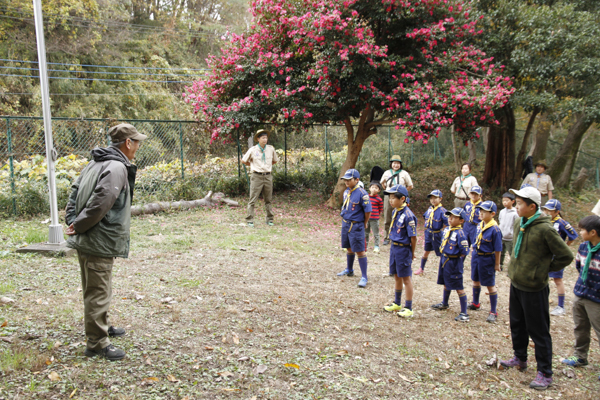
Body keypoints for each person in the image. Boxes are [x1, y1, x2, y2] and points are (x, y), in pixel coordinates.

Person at [65, 123, 147, 361]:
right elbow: (102, 202)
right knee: (98, 291)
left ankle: (103, 326)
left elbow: (74, 190)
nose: (138, 147)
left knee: (98, 287)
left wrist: (72, 220)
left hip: (89, 236)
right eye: (137, 142)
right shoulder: (117, 166)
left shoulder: (95, 162)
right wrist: (79, 224)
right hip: (98, 238)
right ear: (128, 143)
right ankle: (97, 343)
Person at [499, 186, 574, 391]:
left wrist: (543, 270)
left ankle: (545, 372)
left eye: (520, 203)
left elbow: (566, 255)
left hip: (534, 287)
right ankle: (520, 358)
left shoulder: (545, 229)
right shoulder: (518, 221)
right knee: (517, 323)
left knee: (538, 330)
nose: (516, 205)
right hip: (517, 282)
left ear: (532, 207)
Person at [560, 215, 600, 381]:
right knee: (580, 326)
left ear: (593, 232)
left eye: (582, 230)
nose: (579, 232)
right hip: (581, 293)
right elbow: (578, 265)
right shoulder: (583, 247)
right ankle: (580, 356)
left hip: (596, 298)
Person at [383, 185, 417, 318]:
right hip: (394, 247)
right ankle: (397, 303)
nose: (390, 201)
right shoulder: (395, 211)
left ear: (402, 198)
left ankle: (408, 307)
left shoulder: (409, 216)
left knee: (406, 279)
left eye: (393, 198)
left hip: (403, 249)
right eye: (389, 198)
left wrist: (412, 252)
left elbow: (413, 238)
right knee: (396, 276)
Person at [430, 208, 471, 321]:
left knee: (458, 287)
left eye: (454, 217)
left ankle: (464, 313)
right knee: (445, 282)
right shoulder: (447, 230)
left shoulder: (461, 233)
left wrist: (458, 264)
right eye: (449, 216)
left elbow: (464, 252)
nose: (450, 219)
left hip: (454, 262)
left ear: (461, 220)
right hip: (445, 259)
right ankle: (444, 303)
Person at [541, 199, 578, 317]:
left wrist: (565, 247)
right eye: (545, 209)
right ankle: (543, 301)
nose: (546, 212)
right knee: (543, 277)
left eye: (549, 210)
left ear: (557, 212)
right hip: (545, 255)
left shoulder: (561, 223)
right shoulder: (544, 221)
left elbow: (573, 235)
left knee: (557, 280)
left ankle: (561, 306)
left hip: (556, 256)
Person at [467, 201, 502, 323]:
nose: (480, 213)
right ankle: (475, 302)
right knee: (475, 280)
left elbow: (498, 249)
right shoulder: (479, 225)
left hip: (487, 259)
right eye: (480, 210)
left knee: (489, 284)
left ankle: (493, 311)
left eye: (484, 211)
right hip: (477, 256)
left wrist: (497, 264)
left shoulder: (495, 229)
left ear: (492, 214)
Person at [337, 169, 372, 288]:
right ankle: (349, 269)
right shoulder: (347, 191)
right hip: (346, 223)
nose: (346, 181)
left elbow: (368, 211)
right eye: (345, 179)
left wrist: (365, 223)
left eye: (349, 179)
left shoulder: (363, 194)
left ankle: (364, 277)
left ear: (357, 180)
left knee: (360, 250)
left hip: (356, 225)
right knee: (349, 247)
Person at [242, 129, 279, 227]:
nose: (265, 139)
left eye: (266, 138)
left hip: (267, 176)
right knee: (252, 199)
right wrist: (253, 165)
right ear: (258, 139)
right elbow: (244, 160)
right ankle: (250, 220)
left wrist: (266, 167)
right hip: (256, 176)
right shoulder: (253, 150)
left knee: (268, 199)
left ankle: (269, 219)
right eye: (263, 138)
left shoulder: (271, 149)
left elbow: (275, 161)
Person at [380, 155, 413, 245]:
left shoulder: (404, 173)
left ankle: (398, 235)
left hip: (400, 197)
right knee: (387, 216)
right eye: (394, 163)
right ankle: (386, 237)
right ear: (391, 164)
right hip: (388, 196)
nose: (396, 165)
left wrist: (403, 192)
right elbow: (382, 183)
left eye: (398, 163)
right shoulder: (387, 173)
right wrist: (388, 191)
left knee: (400, 216)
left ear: (400, 164)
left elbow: (410, 185)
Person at [415, 189, 447, 275]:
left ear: (440, 199)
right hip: (428, 233)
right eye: (431, 198)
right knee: (426, 251)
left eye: (435, 198)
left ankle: (443, 270)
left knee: (440, 253)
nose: (433, 200)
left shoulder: (442, 211)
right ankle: (421, 268)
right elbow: (425, 217)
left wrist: (442, 231)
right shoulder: (430, 209)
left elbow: (447, 223)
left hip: (437, 234)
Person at [499, 192, 519, 271]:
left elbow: (516, 224)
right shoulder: (502, 211)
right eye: (503, 200)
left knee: (512, 253)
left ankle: (513, 268)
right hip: (501, 236)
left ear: (513, 201)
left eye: (507, 200)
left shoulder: (515, 213)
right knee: (501, 252)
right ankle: (500, 265)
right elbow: (500, 221)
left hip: (510, 237)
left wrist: (513, 234)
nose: (505, 202)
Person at [366, 182, 384, 253]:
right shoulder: (366, 197)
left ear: (379, 190)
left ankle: (376, 246)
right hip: (366, 218)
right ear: (369, 188)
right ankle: (365, 245)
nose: (374, 189)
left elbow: (380, 208)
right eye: (372, 187)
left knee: (375, 233)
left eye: (376, 188)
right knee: (365, 233)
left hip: (374, 219)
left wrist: (376, 215)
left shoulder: (379, 199)